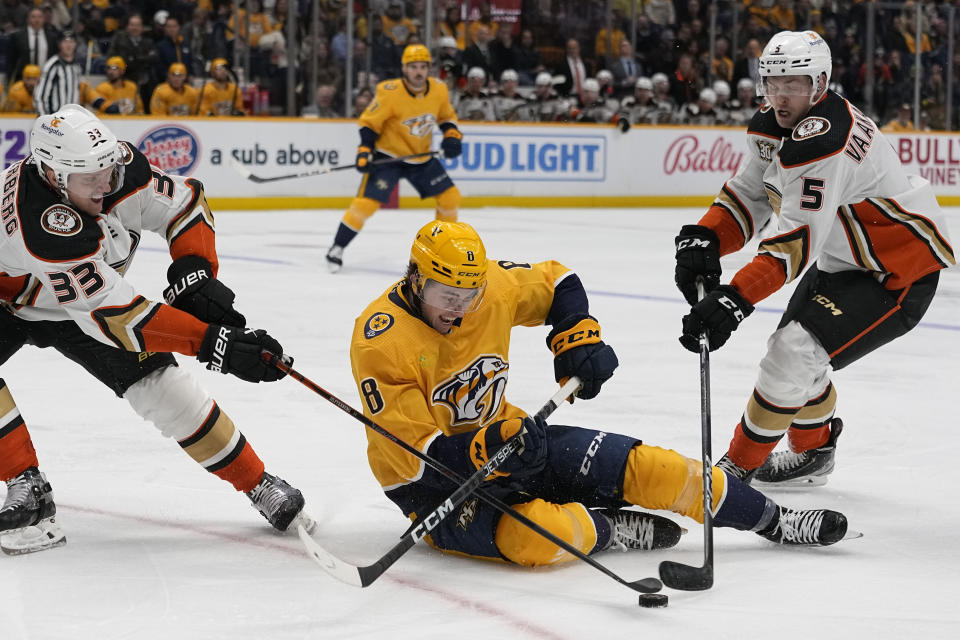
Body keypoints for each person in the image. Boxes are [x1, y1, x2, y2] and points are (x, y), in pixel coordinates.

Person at [348, 219, 850, 570]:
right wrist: (487, 446)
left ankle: (775, 520)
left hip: (514, 441)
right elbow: (419, 457)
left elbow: (558, 280)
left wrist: (576, 337)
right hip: (429, 484)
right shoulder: (381, 340)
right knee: (536, 536)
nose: (458, 310)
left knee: (656, 468)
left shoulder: (491, 289)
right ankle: (609, 529)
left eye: (469, 297)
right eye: (445, 297)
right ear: (415, 278)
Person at [0, 105, 307, 553]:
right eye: (91, 179)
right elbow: (121, 318)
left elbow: (186, 203)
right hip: (10, 301)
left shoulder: (117, 171)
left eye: (107, 169)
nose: (106, 186)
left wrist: (195, 270)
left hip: (77, 301)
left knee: (162, 389)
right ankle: (25, 481)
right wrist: (212, 342)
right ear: (53, 175)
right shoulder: (40, 224)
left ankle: (257, 482)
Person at [673, 31, 955, 487]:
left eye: (794, 85)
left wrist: (734, 299)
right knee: (795, 354)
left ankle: (736, 470)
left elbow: (794, 243)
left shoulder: (826, 140)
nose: (780, 97)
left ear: (820, 84)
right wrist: (704, 237)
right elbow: (752, 192)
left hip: (895, 271)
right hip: (845, 257)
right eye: (772, 83)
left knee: (794, 353)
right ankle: (814, 452)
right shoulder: (775, 122)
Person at [324, 44, 463, 273]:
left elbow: (447, 118)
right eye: (413, 67)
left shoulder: (439, 90)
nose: (418, 72)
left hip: (421, 158)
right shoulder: (389, 91)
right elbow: (370, 123)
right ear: (404, 69)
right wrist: (364, 151)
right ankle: (337, 248)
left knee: (450, 198)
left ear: (429, 68)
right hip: (389, 157)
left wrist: (452, 137)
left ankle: (442, 252)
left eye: (422, 67)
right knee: (365, 204)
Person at [34, 30, 81, 115]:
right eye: (65, 42)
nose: (69, 45)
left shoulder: (76, 66)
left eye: (71, 42)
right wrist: (45, 119)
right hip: (54, 119)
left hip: (71, 118)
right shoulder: (52, 65)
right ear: (59, 44)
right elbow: (40, 96)